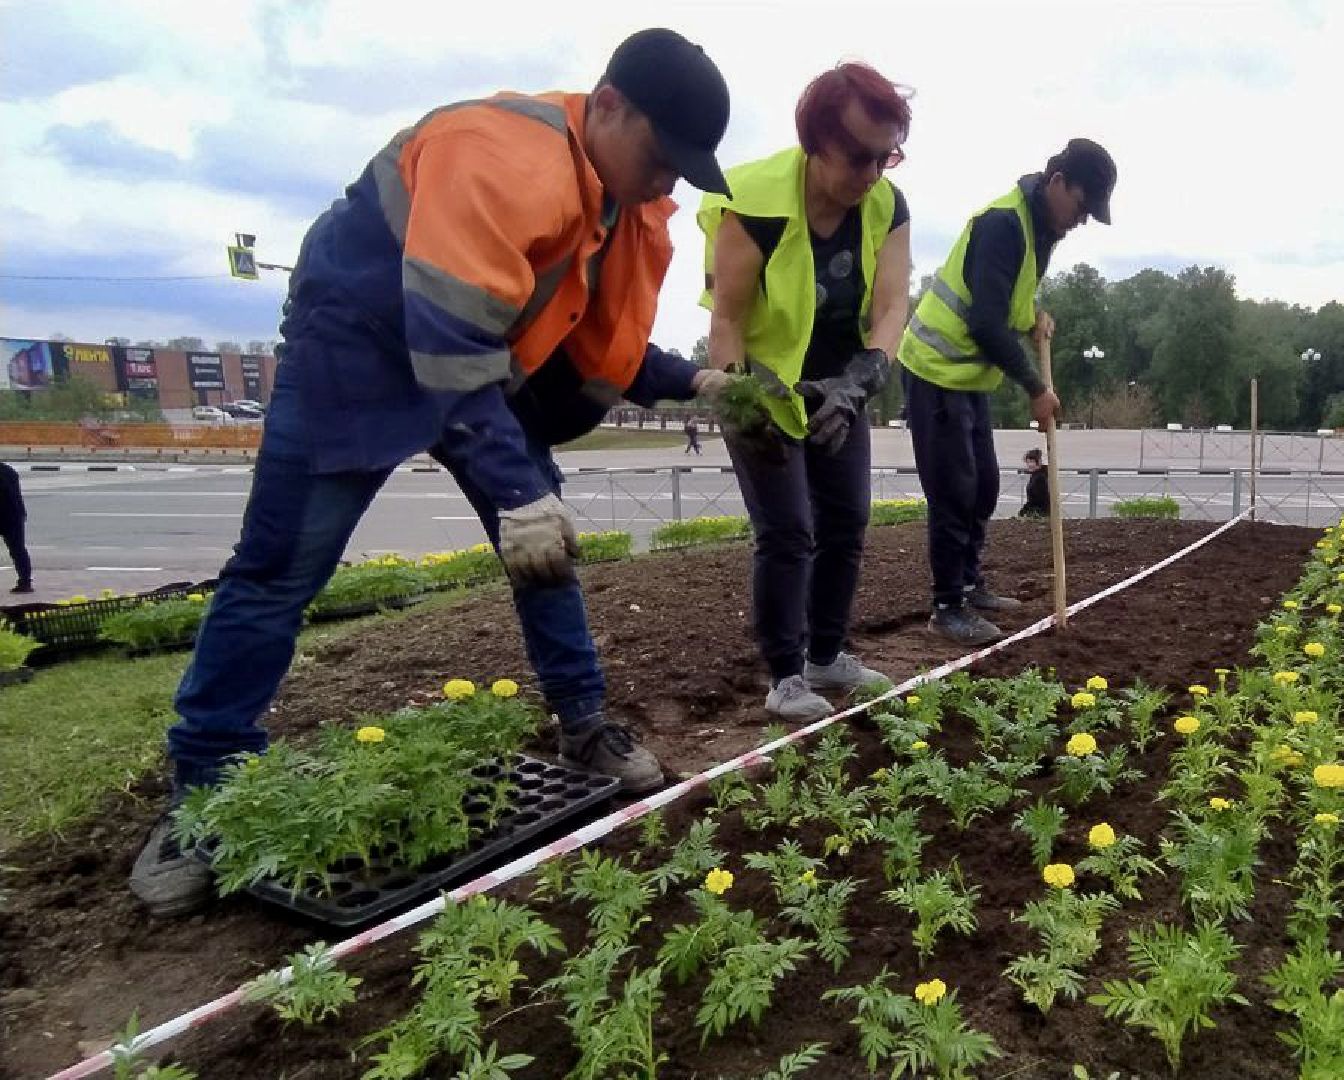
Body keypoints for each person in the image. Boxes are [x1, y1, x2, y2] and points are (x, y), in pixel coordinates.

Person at [130, 28, 735, 917]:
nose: (666, 182)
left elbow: (590, 334)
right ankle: (204, 787)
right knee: (280, 568)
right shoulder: (498, 154)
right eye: (661, 156)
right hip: (360, 346)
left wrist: (694, 381)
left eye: (683, 168)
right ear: (608, 105)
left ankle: (582, 726)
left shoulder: (615, 204)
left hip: (477, 363)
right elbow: (447, 334)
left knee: (546, 552)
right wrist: (518, 490)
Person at [699, 62, 914, 722]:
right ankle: (785, 676)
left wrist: (858, 385)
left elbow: (892, 308)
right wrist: (745, 409)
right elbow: (728, 322)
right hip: (760, 381)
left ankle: (826, 654)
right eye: (858, 157)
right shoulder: (753, 202)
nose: (872, 174)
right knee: (788, 530)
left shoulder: (886, 206)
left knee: (846, 519)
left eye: (886, 157)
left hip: (839, 384)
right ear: (815, 140)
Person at [900, 139, 1116, 644]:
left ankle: (969, 584)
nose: (1081, 220)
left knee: (984, 486)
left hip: (968, 378)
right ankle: (947, 606)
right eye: (1081, 205)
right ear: (1058, 181)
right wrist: (1036, 388)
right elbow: (984, 323)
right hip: (935, 370)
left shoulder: (1042, 229)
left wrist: (1032, 317)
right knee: (954, 492)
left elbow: (1003, 300)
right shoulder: (1003, 224)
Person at [0, 460, 28, 593]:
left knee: (17, 550)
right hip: (15, 515)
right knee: (18, 550)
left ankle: (25, 581)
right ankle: (25, 581)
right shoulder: (9, 471)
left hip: (9, 515)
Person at [1017, 448, 1048, 518]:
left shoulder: (1040, 477)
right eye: (1027, 462)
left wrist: (1024, 511)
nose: (1029, 465)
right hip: (1036, 512)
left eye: (1031, 462)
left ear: (1039, 462)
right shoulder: (1036, 475)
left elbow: (1039, 500)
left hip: (1039, 514)